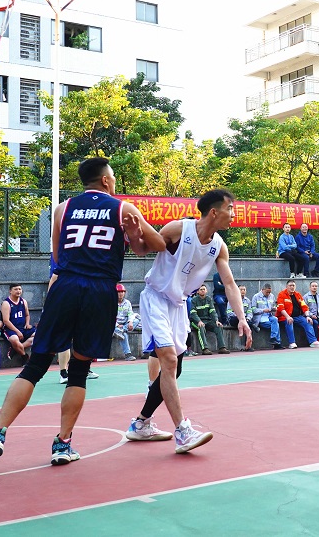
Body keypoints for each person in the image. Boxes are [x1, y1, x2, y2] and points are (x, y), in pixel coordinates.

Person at [0, 157, 165, 466]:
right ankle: (62, 443)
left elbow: (58, 256)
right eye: (113, 177)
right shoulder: (123, 209)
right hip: (100, 290)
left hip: (65, 286)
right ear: (105, 180)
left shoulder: (63, 208)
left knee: (35, 366)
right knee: (79, 370)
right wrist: (135, 231)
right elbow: (156, 245)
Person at [126, 190, 254, 453]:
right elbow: (142, 250)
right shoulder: (178, 229)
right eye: (230, 208)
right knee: (169, 361)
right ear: (214, 212)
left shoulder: (219, 246)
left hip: (179, 304)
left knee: (175, 370)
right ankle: (183, 431)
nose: (234, 214)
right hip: (156, 298)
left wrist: (242, 318)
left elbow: (230, 284)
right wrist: (134, 234)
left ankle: (141, 423)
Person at [277, 279, 319, 348]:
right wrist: (288, 317)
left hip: (298, 317)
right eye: (290, 285)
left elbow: (304, 306)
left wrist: (307, 316)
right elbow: (280, 308)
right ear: (286, 286)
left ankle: (313, 341)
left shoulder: (298, 295)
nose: (292, 287)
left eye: (293, 285)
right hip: (284, 317)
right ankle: (292, 343)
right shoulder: (281, 294)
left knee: (307, 321)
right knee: (289, 322)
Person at [1, 284, 34, 359]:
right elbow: (6, 321)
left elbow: (27, 315)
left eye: (19, 289)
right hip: (10, 329)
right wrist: (17, 331)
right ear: (10, 291)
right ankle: (24, 357)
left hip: (23, 328)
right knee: (15, 340)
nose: (18, 291)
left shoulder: (23, 301)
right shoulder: (6, 303)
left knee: (39, 336)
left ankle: (15, 348)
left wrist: (27, 324)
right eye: (16, 289)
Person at [188, 285, 220, 355]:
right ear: (197, 291)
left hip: (207, 320)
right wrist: (199, 321)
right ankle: (205, 349)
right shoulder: (194, 300)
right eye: (201, 289)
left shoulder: (209, 299)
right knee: (201, 327)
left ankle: (222, 347)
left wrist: (216, 320)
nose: (202, 291)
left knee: (218, 326)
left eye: (204, 289)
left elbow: (213, 311)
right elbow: (193, 313)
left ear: (206, 291)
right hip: (196, 321)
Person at [251, 284, 286, 350]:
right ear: (262, 290)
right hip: (260, 318)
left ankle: (274, 339)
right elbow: (253, 310)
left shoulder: (272, 296)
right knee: (276, 325)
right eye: (267, 292)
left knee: (275, 320)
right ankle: (277, 342)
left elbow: (274, 305)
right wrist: (263, 310)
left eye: (269, 292)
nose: (268, 294)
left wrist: (274, 308)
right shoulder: (256, 297)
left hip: (269, 316)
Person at [113, 284, 137, 361]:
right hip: (114, 325)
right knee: (124, 334)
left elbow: (130, 313)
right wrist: (117, 325)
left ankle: (121, 330)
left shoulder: (127, 303)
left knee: (137, 319)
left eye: (122, 292)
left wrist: (130, 322)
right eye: (119, 292)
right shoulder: (111, 302)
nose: (121, 294)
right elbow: (109, 316)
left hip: (124, 324)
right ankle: (128, 354)